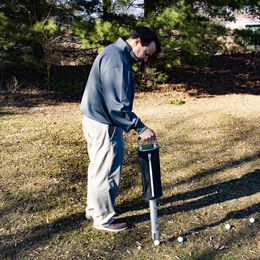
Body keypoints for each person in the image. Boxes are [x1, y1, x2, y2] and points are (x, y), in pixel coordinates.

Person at [80, 26, 161, 232]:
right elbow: (116, 105)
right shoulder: (117, 60)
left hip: (95, 120)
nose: (145, 59)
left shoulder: (113, 53)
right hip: (104, 124)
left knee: (97, 168)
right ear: (137, 41)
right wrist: (140, 127)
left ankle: (94, 209)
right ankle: (103, 219)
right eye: (146, 53)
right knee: (106, 170)